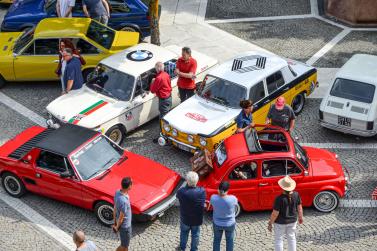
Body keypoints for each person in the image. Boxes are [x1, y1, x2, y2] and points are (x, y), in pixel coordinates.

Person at [268, 176, 304, 251]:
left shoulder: (279, 199)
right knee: (292, 238)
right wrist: (300, 217)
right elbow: (299, 208)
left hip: (280, 223)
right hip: (293, 221)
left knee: (279, 240)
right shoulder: (296, 194)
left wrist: (270, 223)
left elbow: (275, 214)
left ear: (282, 187)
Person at [176, 171, 206, 251]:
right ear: (197, 181)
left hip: (185, 218)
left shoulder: (182, 192)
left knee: (184, 233)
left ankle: (182, 248)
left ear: (187, 181)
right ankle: (194, 249)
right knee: (195, 235)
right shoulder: (201, 191)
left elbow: (178, 195)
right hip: (197, 220)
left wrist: (187, 185)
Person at [210, 181, 238, 251]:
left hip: (217, 223)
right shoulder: (233, 198)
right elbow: (235, 205)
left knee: (216, 241)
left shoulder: (213, 198)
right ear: (228, 190)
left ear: (218, 189)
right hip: (230, 223)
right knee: (229, 241)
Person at [113, 177, 133, 251]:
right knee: (123, 246)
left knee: (126, 245)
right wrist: (116, 227)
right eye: (132, 183)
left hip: (123, 225)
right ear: (129, 186)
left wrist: (114, 220)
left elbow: (114, 207)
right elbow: (121, 218)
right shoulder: (124, 201)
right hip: (125, 227)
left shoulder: (117, 192)